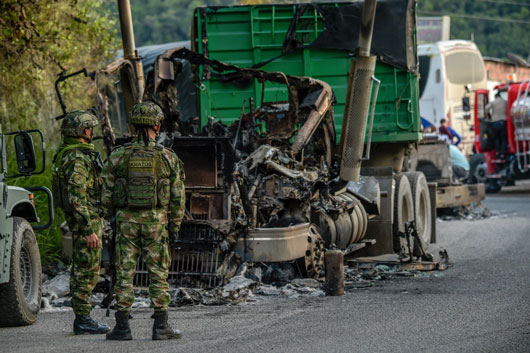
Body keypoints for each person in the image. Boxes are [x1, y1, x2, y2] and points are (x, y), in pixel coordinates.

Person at [102, 102, 185, 341]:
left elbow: (106, 194)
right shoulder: (168, 157)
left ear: (133, 125)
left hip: (126, 223)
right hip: (156, 224)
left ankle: (122, 328)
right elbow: (178, 197)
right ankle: (161, 326)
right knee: (158, 274)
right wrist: (175, 226)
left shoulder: (118, 156)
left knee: (124, 273)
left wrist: (109, 220)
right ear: (157, 126)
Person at [52, 111, 109, 335]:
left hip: (86, 219)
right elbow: (77, 196)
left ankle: (83, 317)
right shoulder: (76, 158)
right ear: (83, 131)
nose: (91, 131)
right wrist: (88, 230)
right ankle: (83, 319)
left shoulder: (70, 153)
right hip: (86, 222)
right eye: (89, 128)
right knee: (86, 271)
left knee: (85, 269)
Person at [485, 92, 508, 158]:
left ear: (495, 97)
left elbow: (486, 108)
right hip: (503, 121)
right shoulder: (505, 102)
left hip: (495, 122)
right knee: (503, 138)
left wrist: (488, 116)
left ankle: (497, 152)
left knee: (496, 138)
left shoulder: (494, 102)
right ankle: (503, 153)